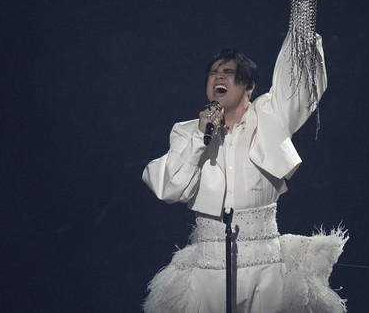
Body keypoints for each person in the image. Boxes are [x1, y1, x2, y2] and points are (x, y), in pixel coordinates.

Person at [141, 28, 348, 312]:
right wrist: (200, 139)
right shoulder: (188, 132)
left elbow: (297, 88)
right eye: (213, 73)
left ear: (248, 86)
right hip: (208, 270)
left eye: (227, 72)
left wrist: (302, 18)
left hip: (265, 269)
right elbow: (169, 188)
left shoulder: (269, 118)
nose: (218, 78)